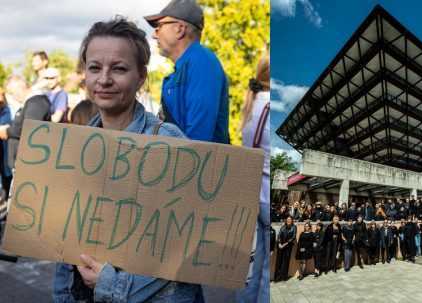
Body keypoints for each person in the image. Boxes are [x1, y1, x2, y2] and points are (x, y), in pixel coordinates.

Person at [52, 17, 203, 302]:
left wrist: (112, 283)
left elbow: (190, 247)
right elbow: (64, 251)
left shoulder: (168, 142)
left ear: (141, 76)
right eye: (94, 68)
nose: (104, 79)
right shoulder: (72, 147)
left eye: (119, 68)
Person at [145, 0, 229, 143]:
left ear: (180, 29)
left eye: (159, 26)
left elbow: (198, 140)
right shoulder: (186, 67)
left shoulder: (202, 63)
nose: (154, 35)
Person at [235, 55, 269, 302]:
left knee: (251, 266)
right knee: (266, 267)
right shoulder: (268, 105)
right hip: (265, 195)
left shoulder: (252, 105)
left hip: (251, 193)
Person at [274, 216, 296, 282]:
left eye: (290, 219)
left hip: (288, 246)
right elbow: (279, 235)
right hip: (280, 246)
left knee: (286, 262)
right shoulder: (283, 226)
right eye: (287, 219)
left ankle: (284, 276)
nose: (288, 220)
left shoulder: (294, 227)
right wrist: (279, 243)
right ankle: (277, 277)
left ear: (292, 220)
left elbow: (293, 237)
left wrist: (285, 244)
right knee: (278, 261)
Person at [0, 88, 11, 200]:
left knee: (6, 173)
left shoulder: (5, 110)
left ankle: (6, 196)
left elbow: (4, 128)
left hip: (3, 147)